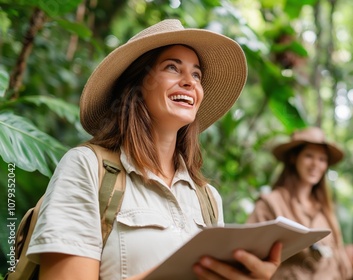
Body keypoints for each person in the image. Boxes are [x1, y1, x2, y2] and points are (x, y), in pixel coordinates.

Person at [25, 19, 282, 280]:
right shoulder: (87, 167)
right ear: (136, 86)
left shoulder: (208, 199)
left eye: (196, 75)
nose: (189, 82)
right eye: (172, 67)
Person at [246, 127, 353, 280]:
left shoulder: (326, 212)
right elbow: (250, 256)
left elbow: (343, 265)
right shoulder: (271, 203)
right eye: (309, 156)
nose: (315, 164)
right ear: (293, 158)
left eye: (322, 159)